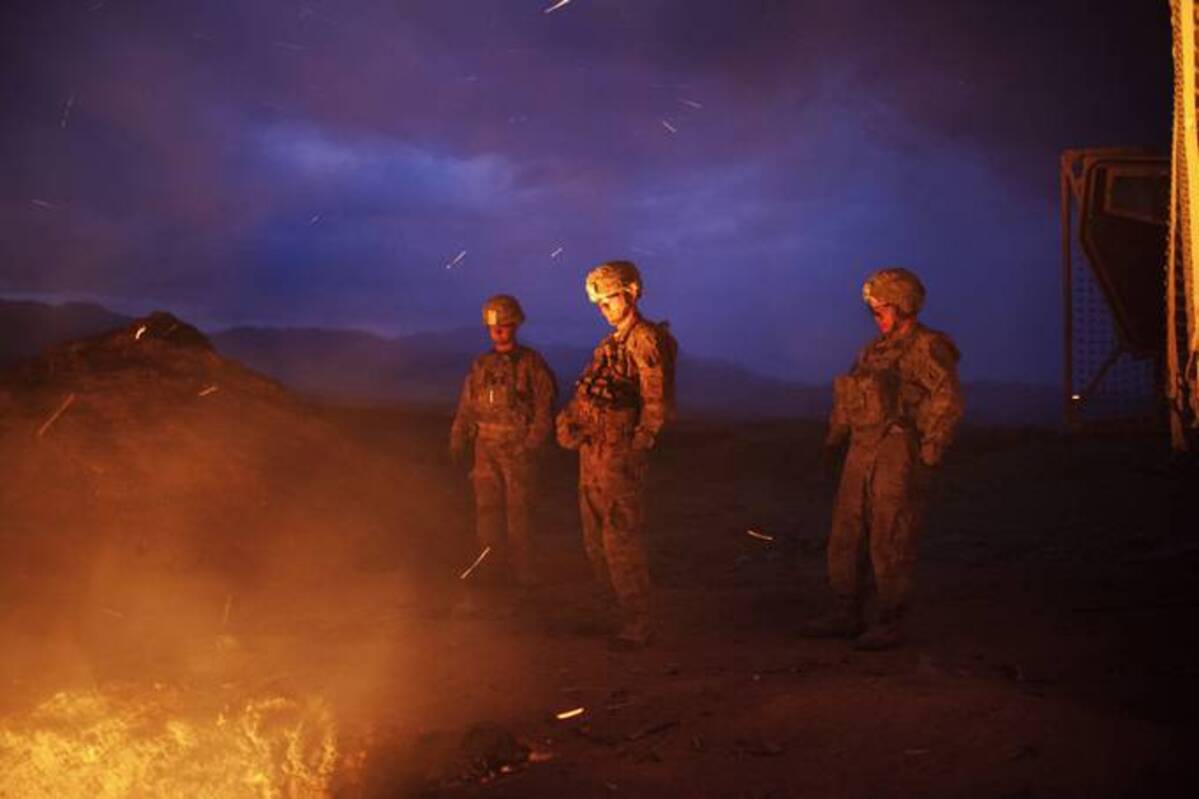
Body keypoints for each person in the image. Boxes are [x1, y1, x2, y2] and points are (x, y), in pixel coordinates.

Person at [800, 267, 964, 650]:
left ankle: (889, 620)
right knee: (847, 532)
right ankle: (846, 612)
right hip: (860, 448)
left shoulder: (927, 346)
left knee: (890, 535)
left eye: (882, 309)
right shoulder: (871, 352)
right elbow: (849, 399)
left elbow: (947, 398)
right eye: (873, 311)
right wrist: (834, 442)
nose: (877, 317)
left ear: (904, 305)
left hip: (896, 450)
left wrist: (930, 451)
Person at [556, 260, 676, 650]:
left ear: (631, 293)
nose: (604, 308)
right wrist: (569, 423)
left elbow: (657, 403)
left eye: (609, 299)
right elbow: (587, 395)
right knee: (594, 539)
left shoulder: (646, 339)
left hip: (619, 456)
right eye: (599, 303)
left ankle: (639, 623)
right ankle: (612, 614)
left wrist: (638, 446)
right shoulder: (608, 346)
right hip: (593, 454)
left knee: (620, 538)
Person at [450, 294, 557, 589]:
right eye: (493, 326)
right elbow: (466, 407)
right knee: (487, 514)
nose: (498, 331)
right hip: (485, 450)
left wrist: (531, 446)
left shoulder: (531, 364)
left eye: (505, 325)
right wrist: (458, 439)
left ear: (515, 325)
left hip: (518, 451)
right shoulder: (481, 365)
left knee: (521, 515)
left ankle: (524, 573)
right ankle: (490, 571)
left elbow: (544, 409)